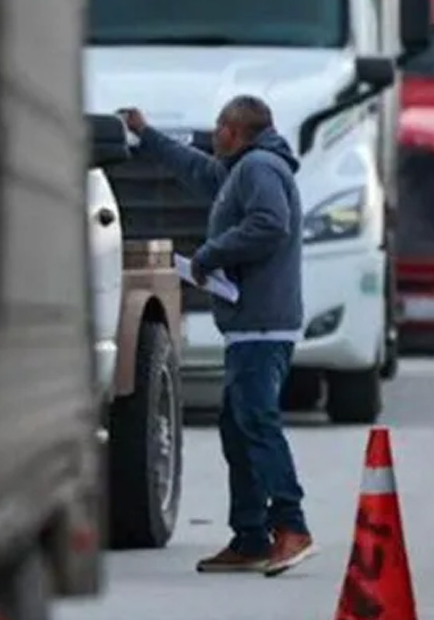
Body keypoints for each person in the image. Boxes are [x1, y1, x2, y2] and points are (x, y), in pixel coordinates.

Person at [117, 97, 315, 576]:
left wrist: (210, 255)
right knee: (238, 428)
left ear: (235, 129)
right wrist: (146, 134)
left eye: (218, 126)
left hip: (262, 323)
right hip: (250, 323)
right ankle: (250, 537)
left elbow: (270, 223)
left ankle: (291, 527)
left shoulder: (259, 169)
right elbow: (194, 168)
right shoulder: (238, 170)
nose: (212, 134)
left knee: (257, 424)